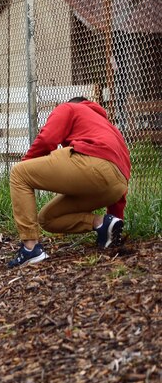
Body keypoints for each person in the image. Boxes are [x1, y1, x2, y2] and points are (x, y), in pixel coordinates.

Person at [7, 97, 131, 268]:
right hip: (116, 186)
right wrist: (116, 222)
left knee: (18, 173)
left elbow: (47, 139)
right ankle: (101, 223)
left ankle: (30, 249)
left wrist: (25, 164)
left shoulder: (69, 107)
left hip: (92, 163)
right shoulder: (111, 130)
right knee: (48, 219)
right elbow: (117, 175)